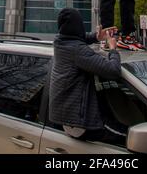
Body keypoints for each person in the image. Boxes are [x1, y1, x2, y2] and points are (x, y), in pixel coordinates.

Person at [49, 8, 125, 143]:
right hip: (79, 123)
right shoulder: (78, 50)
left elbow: (77, 38)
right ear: (77, 26)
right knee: (126, 136)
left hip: (66, 116)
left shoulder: (59, 42)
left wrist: (97, 36)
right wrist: (113, 49)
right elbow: (113, 71)